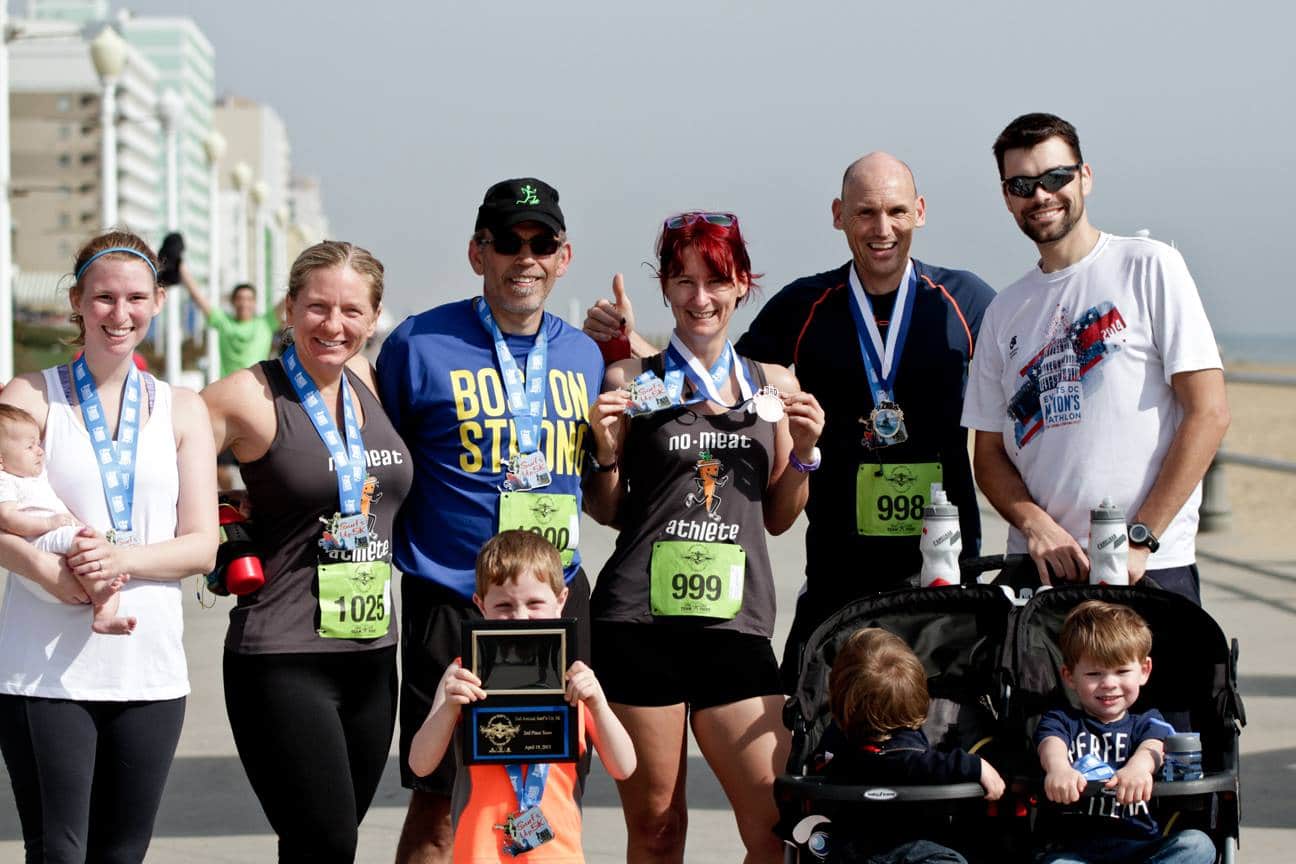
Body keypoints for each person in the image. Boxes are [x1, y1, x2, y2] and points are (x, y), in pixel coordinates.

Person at [585, 154, 996, 689]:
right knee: (812, 733)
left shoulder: (967, 302)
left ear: (919, 212)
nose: (882, 228)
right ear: (838, 215)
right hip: (839, 566)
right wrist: (630, 346)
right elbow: (712, 377)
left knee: (951, 725)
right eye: (865, 212)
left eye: (896, 211)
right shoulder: (805, 304)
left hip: (943, 560)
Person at [584, 210, 825, 862]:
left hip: (734, 626)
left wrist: (803, 452)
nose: (700, 298)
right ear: (665, 287)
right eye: (683, 281)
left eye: (715, 280)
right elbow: (608, 510)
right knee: (658, 832)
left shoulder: (773, 386)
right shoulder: (633, 381)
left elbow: (778, 516)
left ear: (742, 283)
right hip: (641, 623)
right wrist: (604, 451)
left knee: (776, 830)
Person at [376, 177, 603, 863]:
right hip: (455, 600)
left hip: (554, 597)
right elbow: (374, 462)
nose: (525, 257)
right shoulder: (417, 345)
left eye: (542, 243)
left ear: (564, 257)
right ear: (479, 253)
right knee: (439, 797)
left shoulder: (586, 356)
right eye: (508, 241)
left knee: (549, 787)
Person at [0, 230, 219, 863]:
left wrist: (119, 560)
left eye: (134, 299)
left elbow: (202, 546)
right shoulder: (28, 397)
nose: (118, 315)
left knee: (123, 855)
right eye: (102, 298)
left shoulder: (182, 409)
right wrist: (47, 570)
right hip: (45, 668)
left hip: (148, 667)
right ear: (76, 301)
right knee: (60, 852)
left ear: (156, 301)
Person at [962, 114, 1230, 604]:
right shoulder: (1004, 309)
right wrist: (1035, 525)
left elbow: (1208, 412)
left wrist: (1141, 537)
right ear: (1007, 197)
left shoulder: (1149, 266)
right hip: (1040, 567)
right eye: (1022, 184)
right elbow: (989, 454)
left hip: (1145, 566)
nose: (1041, 195)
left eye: (1056, 177)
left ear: (1085, 176)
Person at [202, 240, 411, 862]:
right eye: (317, 307)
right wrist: (219, 522)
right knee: (325, 842)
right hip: (282, 655)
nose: (333, 324)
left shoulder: (373, 384)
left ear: (373, 318)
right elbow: (149, 466)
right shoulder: (245, 395)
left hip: (375, 654)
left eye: (352, 310)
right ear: (288, 308)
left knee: (323, 845)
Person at [408, 530, 636, 862]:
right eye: (503, 605)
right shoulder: (463, 673)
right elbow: (420, 764)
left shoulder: (575, 676)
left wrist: (598, 704)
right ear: (480, 605)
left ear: (561, 601)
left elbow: (625, 767)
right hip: (479, 854)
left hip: (559, 855)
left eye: (535, 603)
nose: (520, 617)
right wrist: (448, 708)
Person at [1035, 601, 1215, 863]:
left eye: (1122, 671)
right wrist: (1059, 769)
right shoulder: (1062, 720)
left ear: (1144, 671)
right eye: (1094, 673)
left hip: (1141, 848)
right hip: (1076, 850)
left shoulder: (1148, 722)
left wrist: (1139, 769)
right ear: (1070, 676)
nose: (1109, 683)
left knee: (1198, 845)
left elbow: (1154, 746)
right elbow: (1051, 745)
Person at [815, 627, 1005, 863]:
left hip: (848, 848)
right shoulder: (903, 754)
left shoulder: (836, 738)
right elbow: (921, 765)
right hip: (910, 848)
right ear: (917, 698)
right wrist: (975, 766)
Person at [0, 404, 135, 635]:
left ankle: (104, 616)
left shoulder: (35, 476)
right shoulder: (6, 481)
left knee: (95, 552)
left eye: (38, 444)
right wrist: (50, 524)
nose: (39, 451)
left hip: (56, 539)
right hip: (38, 541)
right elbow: (7, 518)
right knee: (87, 547)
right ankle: (100, 595)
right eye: (29, 446)